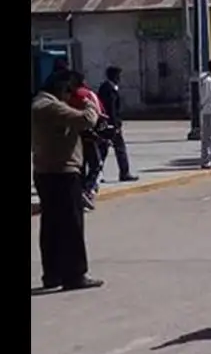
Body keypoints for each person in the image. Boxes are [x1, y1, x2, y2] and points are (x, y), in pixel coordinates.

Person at [32, 70, 104, 291]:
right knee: (72, 225)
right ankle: (74, 274)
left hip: (46, 171)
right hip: (63, 172)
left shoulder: (39, 103)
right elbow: (86, 120)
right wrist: (88, 102)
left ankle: (52, 274)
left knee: (52, 226)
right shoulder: (50, 106)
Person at [68, 71, 107, 209]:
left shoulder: (67, 97)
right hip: (89, 134)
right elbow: (99, 113)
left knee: (81, 165)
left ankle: (79, 190)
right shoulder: (88, 95)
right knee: (96, 164)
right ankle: (88, 190)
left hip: (73, 136)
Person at [97, 66, 137, 182]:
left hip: (106, 124)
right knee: (119, 149)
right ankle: (124, 173)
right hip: (110, 125)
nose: (119, 78)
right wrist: (115, 126)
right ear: (113, 76)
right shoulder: (109, 89)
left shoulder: (107, 88)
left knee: (103, 149)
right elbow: (111, 109)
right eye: (118, 76)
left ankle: (98, 173)